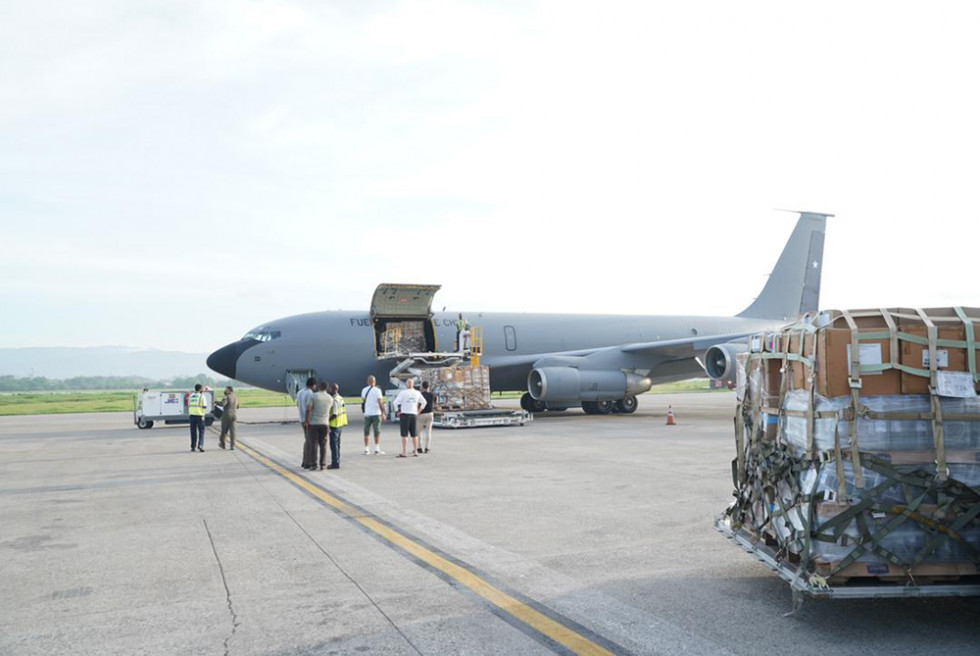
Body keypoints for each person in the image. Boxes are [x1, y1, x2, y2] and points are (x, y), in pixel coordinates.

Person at [393, 379, 426, 458]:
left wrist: (397, 411)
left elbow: (395, 403)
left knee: (404, 435)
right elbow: (424, 402)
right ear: (413, 384)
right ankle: (416, 451)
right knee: (414, 434)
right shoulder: (417, 393)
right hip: (413, 414)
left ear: (407, 384)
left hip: (405, 414)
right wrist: (419, 411)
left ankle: (404, 452)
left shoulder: (403, 393)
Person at [305, 381, 331, 471]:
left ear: (319, 387)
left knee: (314, 444)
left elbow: (308, 409)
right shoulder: (330, 398)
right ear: (327, 388)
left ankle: (314, 464)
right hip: (325, 423)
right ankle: (323, 464)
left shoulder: (314, 396)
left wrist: (306, 421)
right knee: (323, 445)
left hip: (314, 423)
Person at [360, 375, 386, 455]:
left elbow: (363, 400)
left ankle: (366, 449)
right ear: (375, 382)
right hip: (376, 413)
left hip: (367, 413)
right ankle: (377, 448)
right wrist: (383, 413)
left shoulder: (364, 390)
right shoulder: (377, 391)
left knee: (366, 431)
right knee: (377, 431)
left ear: (368, 382)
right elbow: (380, 403)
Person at [297, 377, 317, 469]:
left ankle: (305, 461)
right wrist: (307, 421)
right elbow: (309, 409)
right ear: (313, 385)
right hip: (307, 420)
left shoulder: (300, 392)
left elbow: (298, 404)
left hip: (301, 418)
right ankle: (308, 462)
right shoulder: (310, 394)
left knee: (307, 440)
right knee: (310, 442)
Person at [327, 383, 348, 469]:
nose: (330, 391)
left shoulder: (334, 400)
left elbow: (335, 414)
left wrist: (327, 420)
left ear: (334, 389)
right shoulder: (341, 398)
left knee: (334, 445)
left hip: (334, 425)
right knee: (337, 445)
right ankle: (337, 461)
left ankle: (335, 463)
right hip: (340, 424)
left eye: (331, 389)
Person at [417, 381, 435, 454]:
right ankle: (427, 447)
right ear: (428, 387)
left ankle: (419, 447)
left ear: (422, 387)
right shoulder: (432, 394)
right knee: (428, 431)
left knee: (419, 431)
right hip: (430, 414)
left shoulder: (420, 395)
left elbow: (418, 403)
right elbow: (436, 401)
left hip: (421, 414)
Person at [188, 383, 207, 452]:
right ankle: (200, 445)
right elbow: (204, 406)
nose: (203, 389)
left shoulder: (191, 396)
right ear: (200, 389)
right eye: (202, 388)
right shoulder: (202, 396)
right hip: (200, 415)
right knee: (201, 431)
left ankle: (193, 447)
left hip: (192, 415)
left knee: (193, 431)